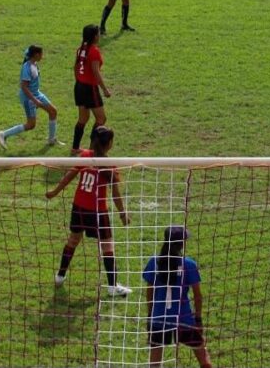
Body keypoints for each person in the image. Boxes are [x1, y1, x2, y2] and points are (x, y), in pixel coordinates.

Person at [46, 125, 132, 297]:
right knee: (107, 245)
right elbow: (115, 194)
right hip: (98, 211)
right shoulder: (108, 164)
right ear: (109, 144)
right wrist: (123, 213)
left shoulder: (84, 155)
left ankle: (60, 276)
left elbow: (69, 175)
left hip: (78, 207)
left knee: (73, 240)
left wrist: (55, 191)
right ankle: (112, 286)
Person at [144, 226, 212, 368]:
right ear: (182, 243)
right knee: (203, 358)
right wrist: (198, 319)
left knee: (154, 363)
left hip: (159, 319)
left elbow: (149, 293)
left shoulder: (154, 262)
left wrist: (150, 316)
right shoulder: (189, 264)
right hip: (184, 319)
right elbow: (198, 296)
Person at [0, 45, 63, 150]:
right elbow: (24, 87)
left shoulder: (34, 64)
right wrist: (35, 101)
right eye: (41, 54)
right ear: (36, 55)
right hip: (29, 98)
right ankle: (3, 134)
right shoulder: (27, 67)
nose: (42, 56)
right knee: (31, 125)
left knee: (53, 111)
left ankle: (51, 139)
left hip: (36, 93)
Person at [71, 24, 109, 154]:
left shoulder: (80, 49)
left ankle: (75, 147)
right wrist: (104, 89)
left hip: (79, 87)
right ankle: (93, 148)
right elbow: (96, 72)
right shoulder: (94, 51)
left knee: (83, 119)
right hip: (90, 88)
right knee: (101, 119)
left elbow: (75, 67)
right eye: (98, 34)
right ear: (94, 36)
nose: (99, 36)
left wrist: (79, 80)